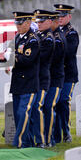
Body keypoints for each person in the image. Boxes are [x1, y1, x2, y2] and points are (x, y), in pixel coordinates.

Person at [0, 12, 40, 148]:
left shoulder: (32, 40)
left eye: (20, 23)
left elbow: (27, 60)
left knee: (23, 113)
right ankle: (27, 142)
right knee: (17, 114)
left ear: (28, 23)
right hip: (17, 82)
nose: (18, 26)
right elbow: (10, 54)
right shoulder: (17, 37)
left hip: (29, 82)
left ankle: (20, 143)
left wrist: (12, 56)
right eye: (16, 23)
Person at [52, 4, 79, 144]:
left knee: (63, 101)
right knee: (54, 103)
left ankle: (66, 131)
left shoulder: (71, 33)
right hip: (56, 74)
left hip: (68, 74)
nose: (60, 18)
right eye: (58, 15)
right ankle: (55, 134)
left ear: (69, 16)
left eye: (63, 15)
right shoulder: (54, 31)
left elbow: (68, 52)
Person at [30, 9, 55, 148]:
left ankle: (43, 140)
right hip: (35, 78)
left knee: (38, 107)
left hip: (42, 78)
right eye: (38, 21)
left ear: (49, 22)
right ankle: (37, 137)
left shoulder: (48, 39)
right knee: (34, 107)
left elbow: (39, 57)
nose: (39, 23)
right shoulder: (38, 36)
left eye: (42, 21)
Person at [44, 11, 65, 147]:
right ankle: (50, 136)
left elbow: (52, 60)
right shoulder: (48, 36)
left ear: (54, 22)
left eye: (48, 21)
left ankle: (50, 137)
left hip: (55, 78)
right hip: (48, 78)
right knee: (47, 108)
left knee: (49, 107)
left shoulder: (57, 38)